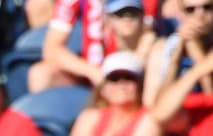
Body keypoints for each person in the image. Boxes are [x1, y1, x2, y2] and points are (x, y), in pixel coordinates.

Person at [61, 51, 166, 136]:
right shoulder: (89, 117)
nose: (122, 85)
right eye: (114, 79)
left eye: (129, 78)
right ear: (103, 88)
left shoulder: (150, 120)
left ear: (140, 85)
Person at [30, 0, 160, 93]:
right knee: (41, 73)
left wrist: (122, 73)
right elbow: (51, 50)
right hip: (93, 73)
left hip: (130, 72)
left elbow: (147, 39)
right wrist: (92, 72)